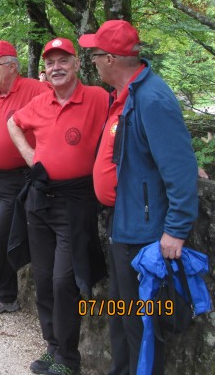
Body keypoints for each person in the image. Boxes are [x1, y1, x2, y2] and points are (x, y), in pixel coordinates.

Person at [80, 20, 199, 375]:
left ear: (112, 58)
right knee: (122, 315)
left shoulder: (152, 98)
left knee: (142, 326)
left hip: (146, 234)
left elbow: (179, 169)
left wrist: (176, 229)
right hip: (125, 224)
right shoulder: (129, 94)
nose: (94, 61)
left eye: (96, 55)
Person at [7, 38, 108, 375]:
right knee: (46, 277)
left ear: (78, 64)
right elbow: (13, 124)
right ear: (44, 69)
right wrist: (31, 157)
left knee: (66, 281)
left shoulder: (97, 98)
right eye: (50, 63)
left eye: (63, 60)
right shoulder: (40, 101)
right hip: (39, 201)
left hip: (76, 202)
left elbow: (129, 122)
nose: (56, 67)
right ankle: (52, 348)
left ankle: (69, 359)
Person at [0, 40, 49, 317]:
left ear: (13, 66)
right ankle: (6, 296)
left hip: (18, 178)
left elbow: (58, 115)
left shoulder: (35, 90)